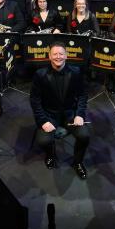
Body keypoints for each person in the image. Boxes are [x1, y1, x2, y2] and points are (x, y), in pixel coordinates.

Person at [30, 42, 90, 179]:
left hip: (71, 114)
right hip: (49, 115)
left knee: (85, 136)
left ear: (66, 55)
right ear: (49, 56)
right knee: (43, 141)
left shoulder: (76, 72)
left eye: (61, 54)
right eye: (55, 54)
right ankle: (50, 155)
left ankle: (78, 162)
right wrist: (43, 121)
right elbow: (35, 101)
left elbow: (82, 95)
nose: (58, 57)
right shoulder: (40, 74)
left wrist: (80, 114)